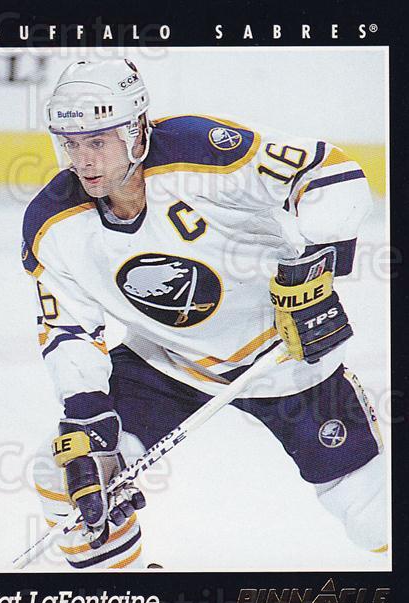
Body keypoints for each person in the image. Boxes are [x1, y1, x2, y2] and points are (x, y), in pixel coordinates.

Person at [22, 58, 387, 570]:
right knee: (69, 472)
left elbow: (331, 172)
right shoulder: (52, 223)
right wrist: (87, 412)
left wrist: (315, 265)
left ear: (135, 130)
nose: (83, 160)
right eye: (71, 143)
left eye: (98, 141)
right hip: (169, 363)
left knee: (375, 520)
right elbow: (68, 329)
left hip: (285, 357)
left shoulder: (202, 150)